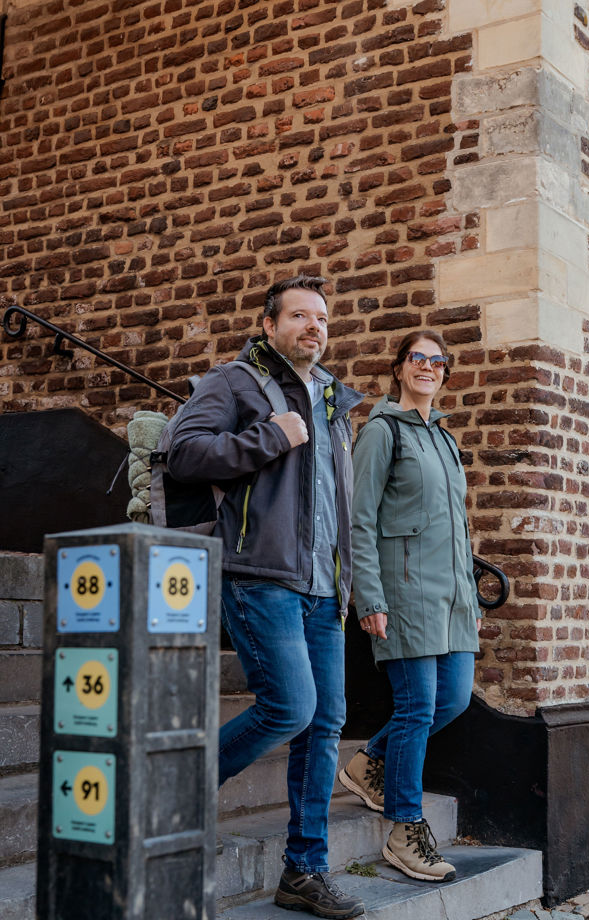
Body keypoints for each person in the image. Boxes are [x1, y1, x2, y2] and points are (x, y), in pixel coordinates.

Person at [167, 275, 365, 920]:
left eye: (322, 318)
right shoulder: (233, 381)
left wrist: (352, 583)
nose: (314, 327)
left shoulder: (333, 400)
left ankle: (304, 871)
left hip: (323, 588)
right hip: (260, 575)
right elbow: (183, 454)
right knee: (290, 707)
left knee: (324, 725)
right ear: (270, 325)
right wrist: (271, 437)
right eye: (300, 316)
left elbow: (337, 506)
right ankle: (175, 787)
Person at [341, 330, 481, 883]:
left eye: (437, 361)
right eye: (416, 358)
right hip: (403, 594)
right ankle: (404, 828)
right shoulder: (381, 432)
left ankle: (369, 762)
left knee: (454, 698)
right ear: (399, 368)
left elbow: (459, 528)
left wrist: (469, 595)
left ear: (444, 373)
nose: (427, 367)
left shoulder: (443, 437)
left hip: (451, 598)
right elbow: (360, 521)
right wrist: (368, 596)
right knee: (417, 706)